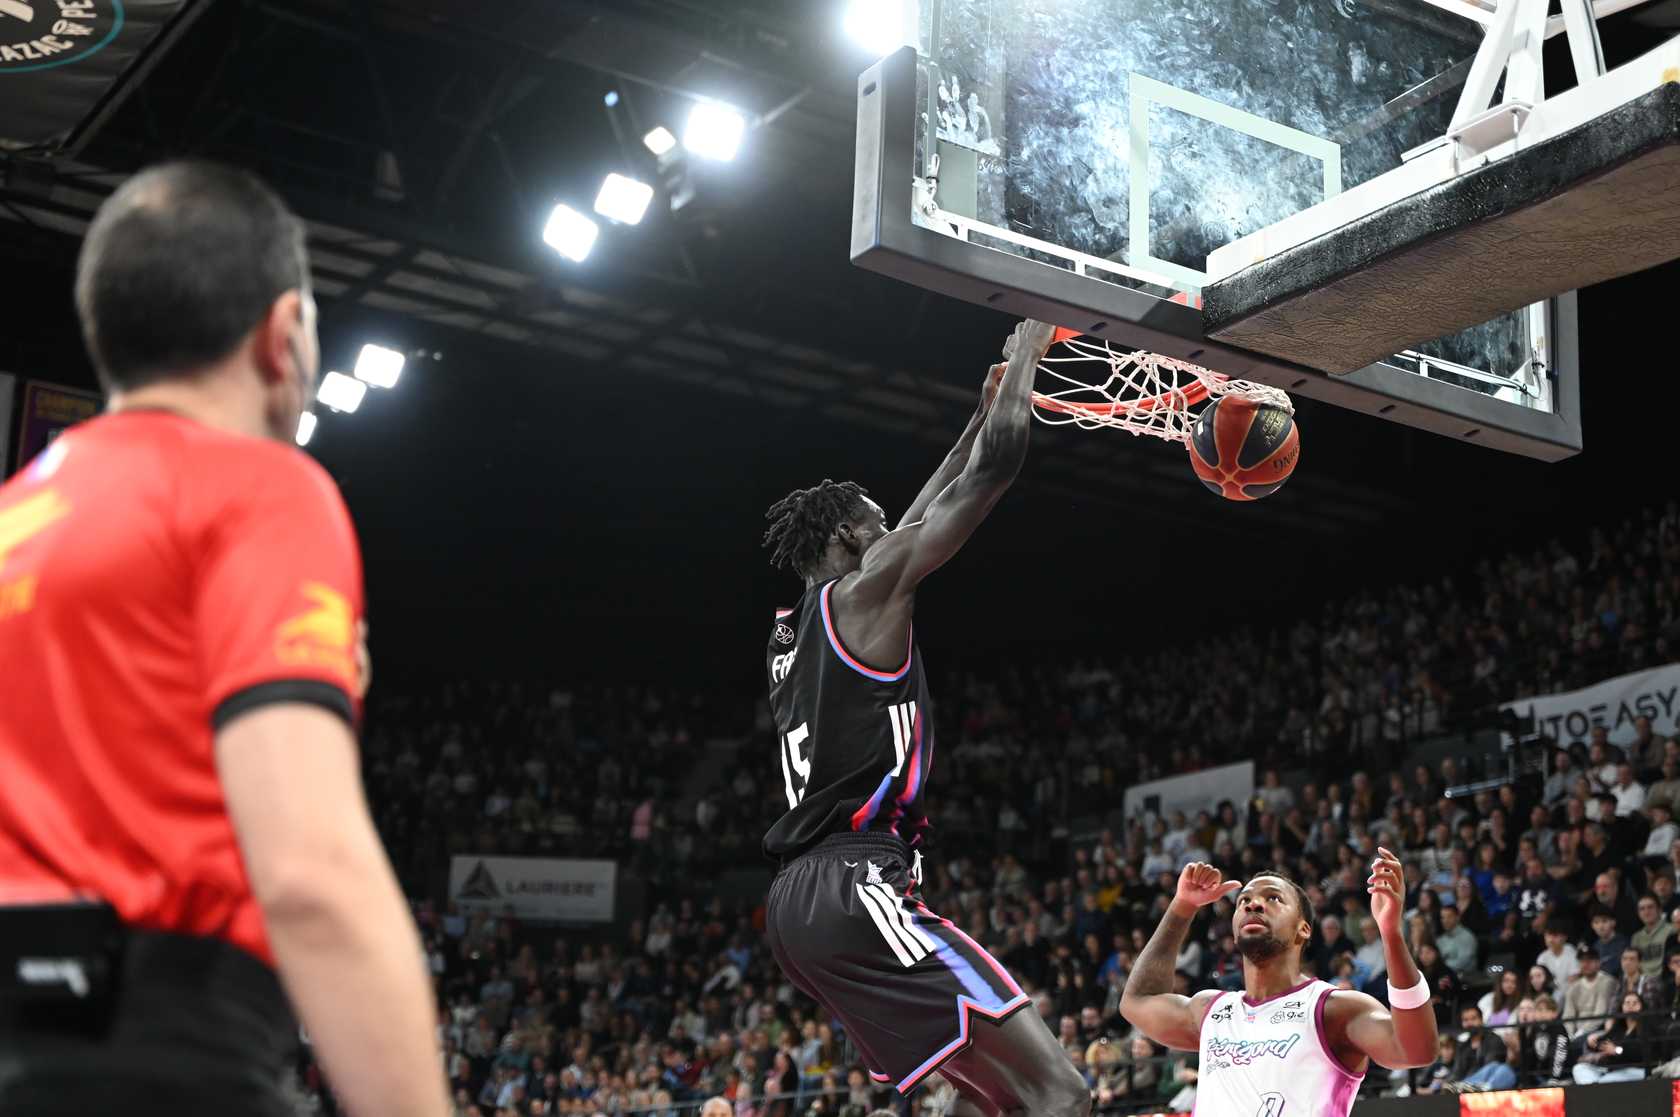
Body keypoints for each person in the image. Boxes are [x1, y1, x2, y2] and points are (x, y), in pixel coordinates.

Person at [0, 162, 445, 1117]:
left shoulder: (13, 520)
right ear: (284, 334)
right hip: (161, 1059)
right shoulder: (259, 490)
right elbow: (310, 873)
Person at [759, 321, 1090, 1116]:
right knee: (1062, 1095)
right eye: (875, 521)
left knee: (994, 1104)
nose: (891, 529)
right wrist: (1027, 353)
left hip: (797, 904)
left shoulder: (789, 633)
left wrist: (975, 416)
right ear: (850, 535)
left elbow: (922, 508)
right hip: (854, 880)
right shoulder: (866, 592)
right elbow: (992, 472)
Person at [1119, 851, 1437, 1117]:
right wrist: (1182, 907)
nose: (1253, 904)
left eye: (1273, 898)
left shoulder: (1333, 1009)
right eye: (1244, 900)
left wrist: (1391, 935)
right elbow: (1137, 1000)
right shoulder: (1211, 1010)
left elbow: (1416, 1050)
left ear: (1303, 929)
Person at [1572, 992, 1651, 1084]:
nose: (1631, 1006)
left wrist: (1617, 1050)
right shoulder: (1619, 1028)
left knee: (1604, 1081)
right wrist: (1593, 1042)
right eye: (1627, 1003)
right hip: (1613, 1069)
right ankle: (1594, 1087)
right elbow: (1604, 1043)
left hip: (1636, 1070)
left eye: (1635, 1003)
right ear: (1622, 1007)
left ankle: (1595, 1088)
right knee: (1579, 1068)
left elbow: (1640, 1053)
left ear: (1642, 1006)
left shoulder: (1647, 1027)